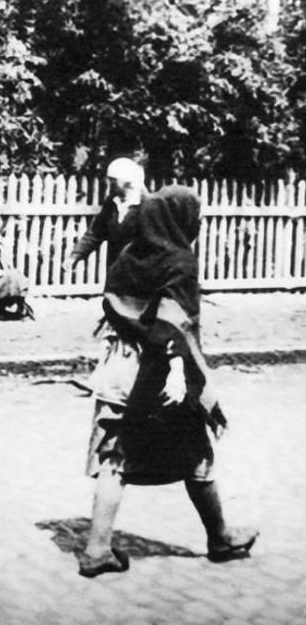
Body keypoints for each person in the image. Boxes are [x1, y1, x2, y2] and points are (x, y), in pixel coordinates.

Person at [78, 185, 257, 577]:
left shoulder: (130, 255)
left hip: (120, 366)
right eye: (196, 214)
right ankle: (221, 538)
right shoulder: (180, 260)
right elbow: (173, 319)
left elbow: (115, 302)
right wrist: (178, 369)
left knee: (115, 454)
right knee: (196, 450)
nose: (199, 222)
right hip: (162, 372)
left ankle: (96, 549)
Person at [66, 157, 147, 273]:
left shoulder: (147, 205)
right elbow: (95, 232)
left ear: (128, 180)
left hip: (140, 273)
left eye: (114, 179)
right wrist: (75, 256)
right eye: (110, 179)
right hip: (114, 271)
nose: (110, 183)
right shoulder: (111, 203)